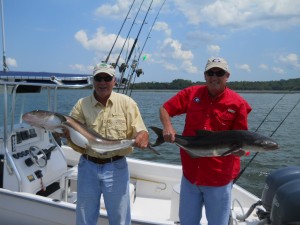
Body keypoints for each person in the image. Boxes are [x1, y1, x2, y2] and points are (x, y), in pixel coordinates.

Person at [159, 57, 252, 225]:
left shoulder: (238, 104)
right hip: (190, 175)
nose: (214, 77)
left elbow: (242, 138)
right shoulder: (191, 93)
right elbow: (165, 109)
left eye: (219, 73)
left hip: (219, 179)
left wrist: (241, 151)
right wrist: (167, 128)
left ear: (227, 76)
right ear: (204, 75)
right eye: (210, 72)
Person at [69, 62, 149, 225]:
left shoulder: (127, 103)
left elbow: (140, 130)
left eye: (107, 78)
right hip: (88, 166)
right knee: (85, 217)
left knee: (120, 217)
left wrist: (143, 136)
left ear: (115, 81)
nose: (103, 82)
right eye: (99, 78)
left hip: (116, 167)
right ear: (93, 80)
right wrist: (65, 133)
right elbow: (73, 137)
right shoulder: (81, 105)